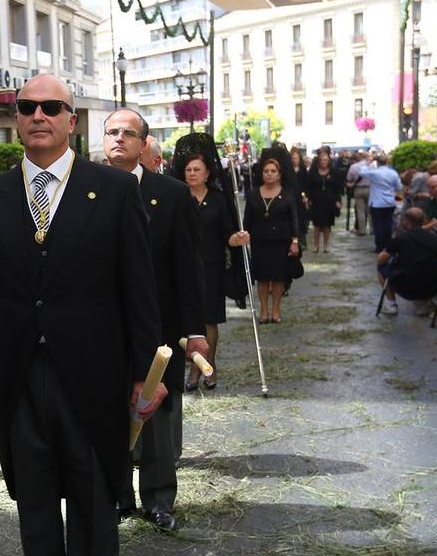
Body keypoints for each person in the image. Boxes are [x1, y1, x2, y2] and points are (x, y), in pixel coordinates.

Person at [0, 74, 163, 556]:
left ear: (72, 120)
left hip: (93, 373)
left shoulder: (113, 189)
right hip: (17, 374)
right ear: (16, 119)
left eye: (53, 107)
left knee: (96, 493)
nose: (39, 116)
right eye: (28, 107)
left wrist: (142, 373)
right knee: (35, 494)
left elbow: (138, 289)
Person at [102, 109, 206, 533]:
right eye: (112, 132)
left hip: (160, 330)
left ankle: (159, 499)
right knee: (109, 415)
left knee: (157, 418)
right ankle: (116, 497)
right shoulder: (84, 191)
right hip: (104, 329)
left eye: (129, 133)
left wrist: (195, 331)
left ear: (144, 144)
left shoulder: (172, 194)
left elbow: (188, 268)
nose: (119, 139)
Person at [178, 148, 248, 388]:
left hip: (211, 267)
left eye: (197, 169)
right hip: (182, 266)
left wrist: (236, 239)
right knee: (187, 319)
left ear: (207, 173)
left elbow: (227, 234)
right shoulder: (177, 195)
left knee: (208, 320)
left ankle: (209, 365)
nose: (192, 173)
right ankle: (193, 369)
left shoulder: (218, 199)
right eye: (188, 170)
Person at [242, 155, 301, 324]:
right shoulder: (253, 195)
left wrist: (295, 241)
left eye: (273, 171)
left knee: (278, 278)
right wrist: (244, 236)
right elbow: (247, 219)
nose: (269, 174)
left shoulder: (287, 194)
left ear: (279, 174)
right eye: (266, 171)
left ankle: (275, 309)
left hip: (281, 241)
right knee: (262, 277)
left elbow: (294, 219)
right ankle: (264, 310)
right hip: (260, 241)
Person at [377, 208, 437, 314]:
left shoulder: (400, 238)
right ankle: (424, 304)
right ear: (424, 220)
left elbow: (380, 260)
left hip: (407, 288)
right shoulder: (435, 239)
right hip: (431, 288)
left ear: (406, 221)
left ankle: (391, 304)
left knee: (381, 268)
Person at [355, 152, 402, 253]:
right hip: (389, 202)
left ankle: (379, 246)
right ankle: (388, 245)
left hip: (376, 203)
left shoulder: (375, 173)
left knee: (378, 225)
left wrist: (368, 162)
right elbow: (399, 187)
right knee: (388, 224)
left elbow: (362, 172)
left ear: (378, 162)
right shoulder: (393, 173)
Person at [305, 150, 343, 253]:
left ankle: (326, 245)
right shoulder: (313, 173)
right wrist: (308, 199)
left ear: (328, 161)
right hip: (316, 201)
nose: (323, 162)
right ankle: (316, 245)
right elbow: (309, 187)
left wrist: (338, 200)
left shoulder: (334, 172)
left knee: (327, 225)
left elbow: (337, 188)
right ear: (318, 161)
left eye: (325, 160)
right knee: (316, 225)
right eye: (321, 160)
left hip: (329, 202)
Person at [347, 151, 371, 235]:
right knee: (370, 210)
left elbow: (349, 179)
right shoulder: (369, 165)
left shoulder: (353, 167)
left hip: (358, 189)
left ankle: (362, 230)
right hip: (369, 188)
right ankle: (372, 230)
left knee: (360, 210)